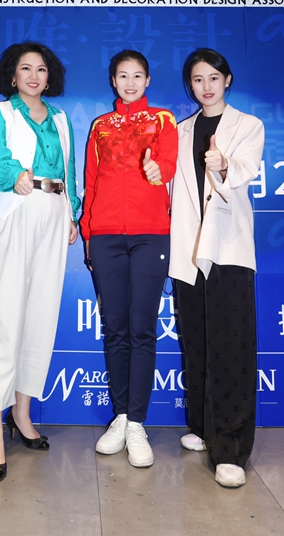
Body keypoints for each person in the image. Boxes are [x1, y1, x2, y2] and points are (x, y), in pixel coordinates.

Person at [0, 42, 80, 482]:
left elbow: (70, 172)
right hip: (15, 210)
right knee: (5, 317)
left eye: (41, 69)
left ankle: (22, 414)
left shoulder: (61, 119)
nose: (34, 76)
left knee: (41, 314)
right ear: (12, 75)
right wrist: (13, 174)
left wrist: (72, 212)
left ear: (50, 75)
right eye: (25, 68)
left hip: (54, 213)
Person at [169, 48, 264, 489]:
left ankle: (230, 448)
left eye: (213, 77)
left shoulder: (248, 125)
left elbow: (245, 170)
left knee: (231, 348)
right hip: (189, 250)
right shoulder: (181, 130)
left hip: (228, 248)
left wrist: (224, 164)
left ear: (227, 80)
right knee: (197, 343)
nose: (205, 86)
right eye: (197, 79)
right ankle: (204, 427)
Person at [81, 50, 178, 468]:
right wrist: (88, 233)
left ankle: (137, 422)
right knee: (115, 329)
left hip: (150, 234)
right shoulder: (100, 126)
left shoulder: (163, 119)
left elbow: (168, 162)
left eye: (138, 75)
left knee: (142, 329)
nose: (131, 82)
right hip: (105, 236)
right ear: (113, 80)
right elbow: (90, 181)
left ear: (148, 80)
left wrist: (160, 172)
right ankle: (120, 416)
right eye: (123, 75)